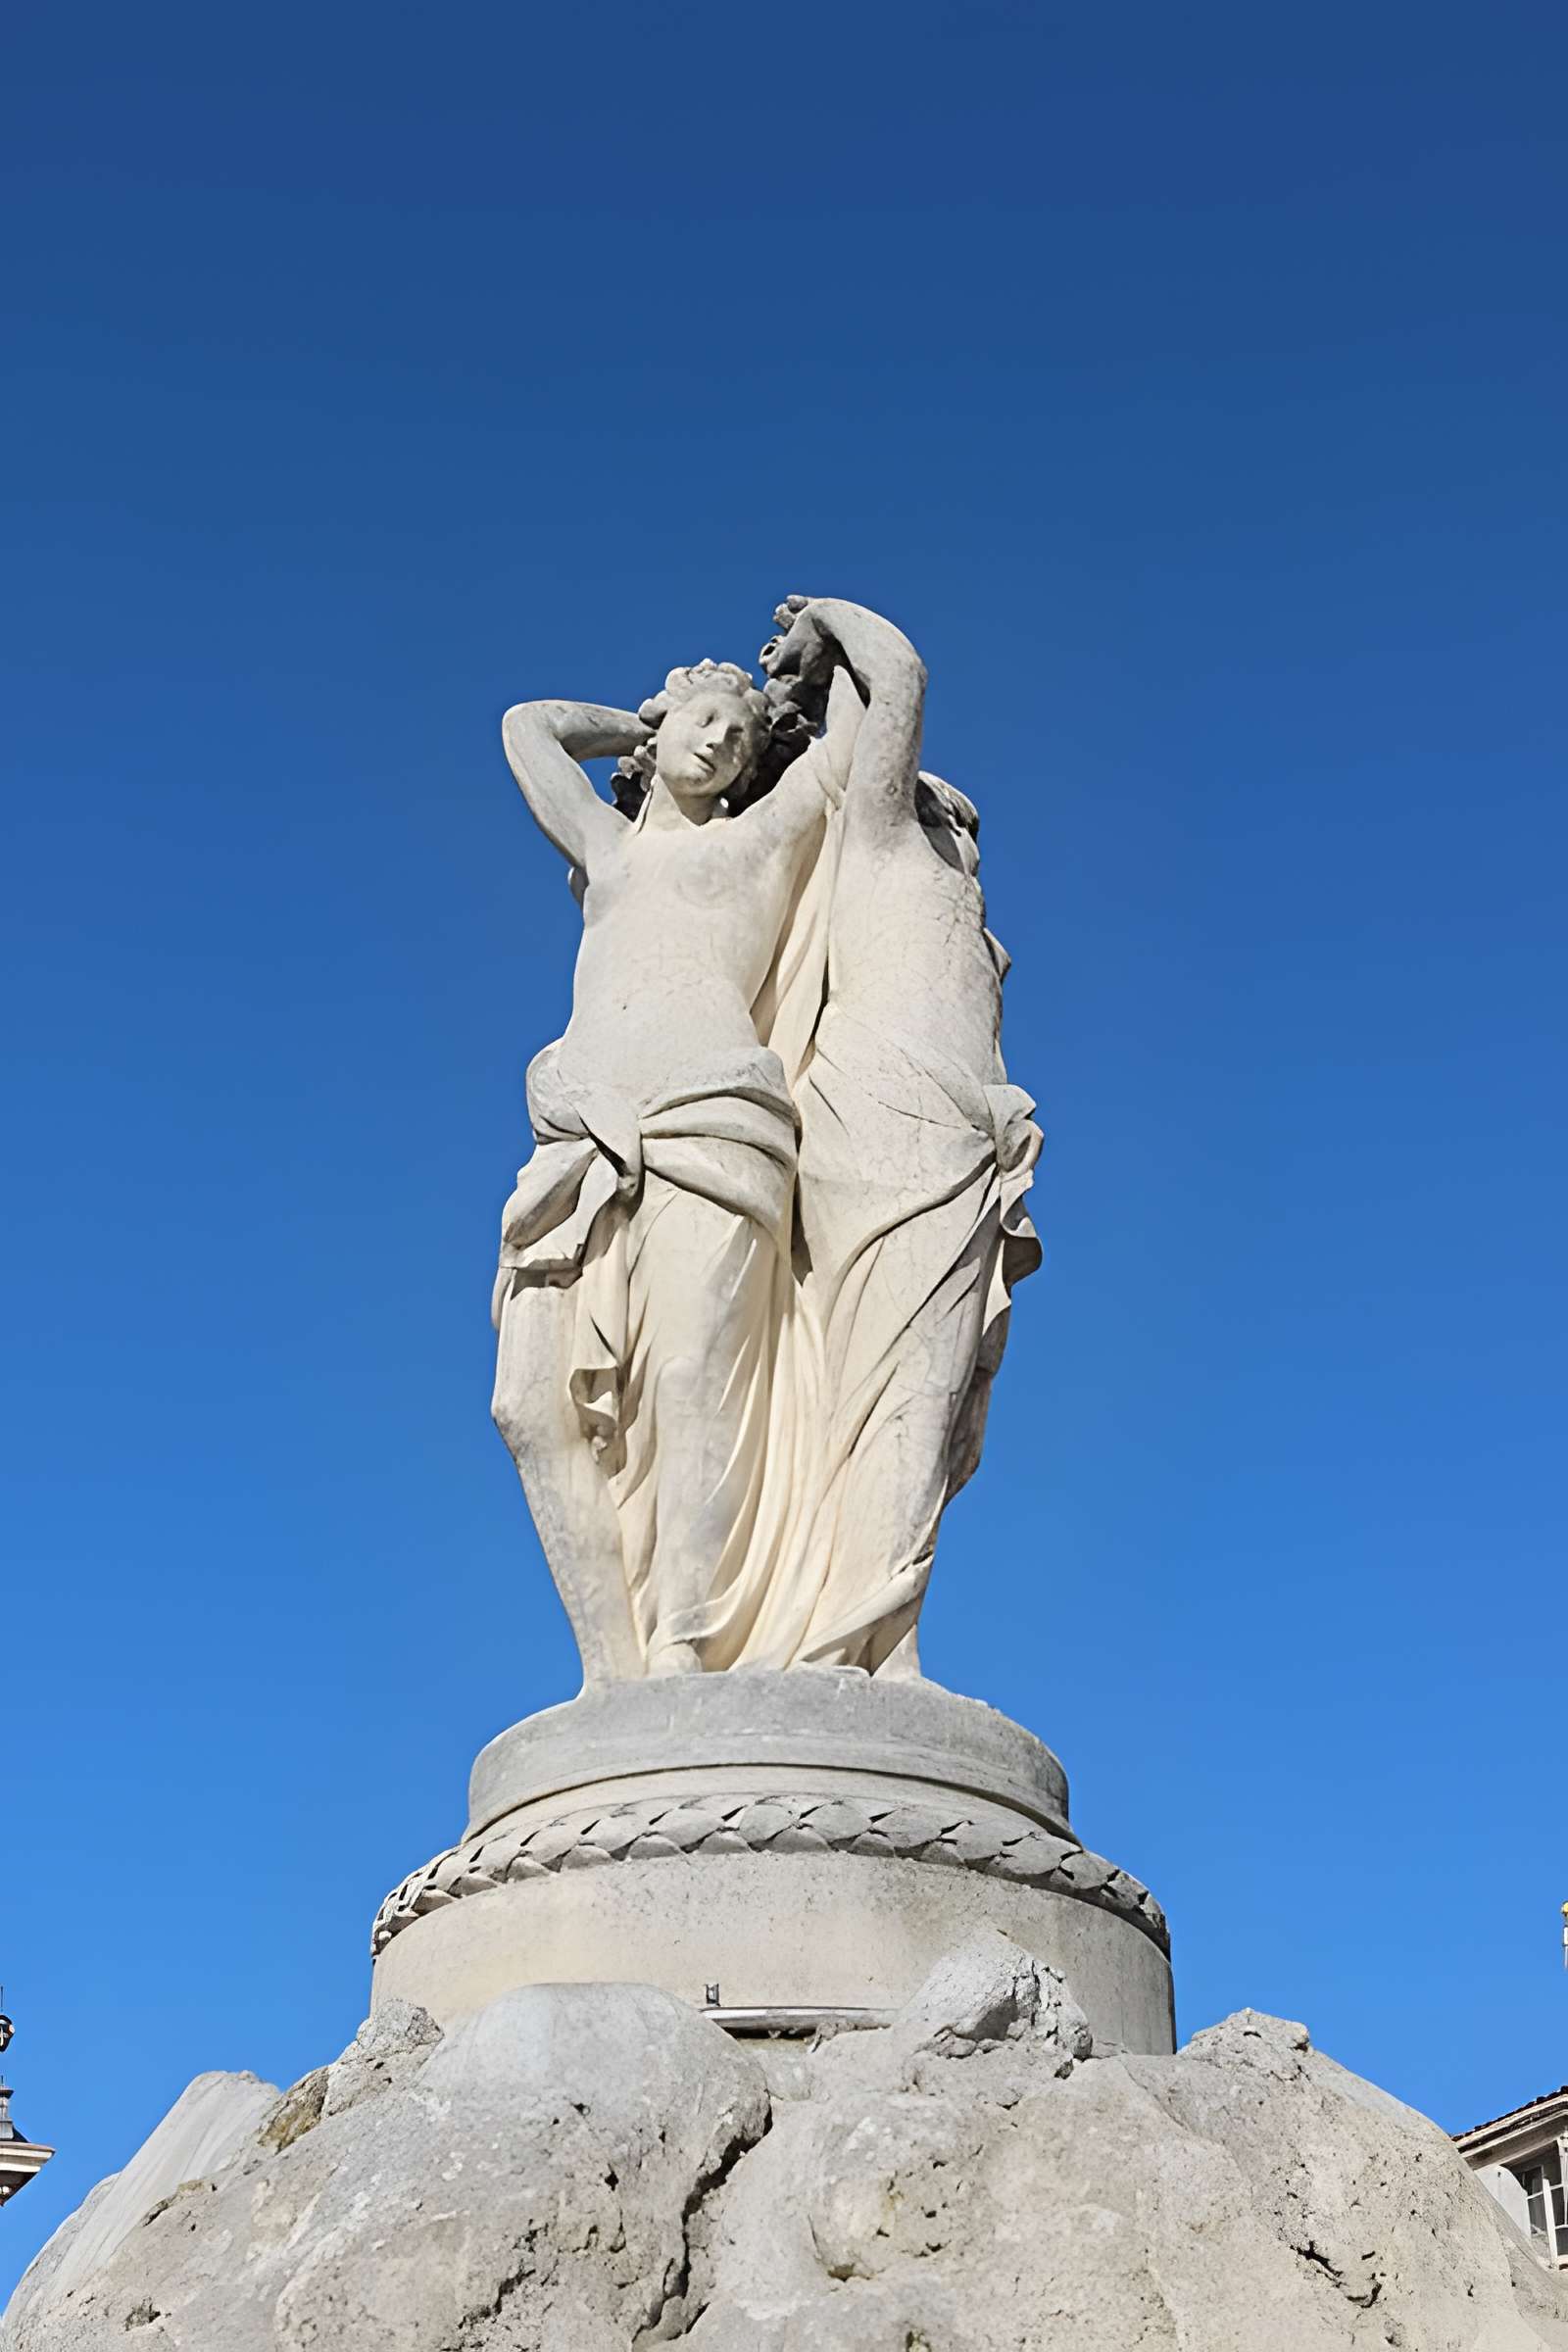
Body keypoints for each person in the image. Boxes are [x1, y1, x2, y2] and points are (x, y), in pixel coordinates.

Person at [491, 662, 838, 1681]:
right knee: (529, 1405)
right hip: (580, 1130)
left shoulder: (757, 843)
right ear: (663, 730)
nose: (721, 743)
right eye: (704, 722)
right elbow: (528, 728)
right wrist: (636, 720)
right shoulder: (608, 852)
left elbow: (869, 724)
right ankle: (611, 1668)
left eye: (739, 736)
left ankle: (683, 1643)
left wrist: (820, 646)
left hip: (712, 1114)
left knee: (690, 1373)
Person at [761, 598, 1044, 1677]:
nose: (961, 843)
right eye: (947, 819)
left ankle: (880, 1623)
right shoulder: (879, 848)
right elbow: (901, 678)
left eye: (963, 833)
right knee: (899, 1379)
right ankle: (856, 1637)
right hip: (889, 1129)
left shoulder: (959, 912)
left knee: (938, 1394)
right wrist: (822, 625)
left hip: (962, 1146)